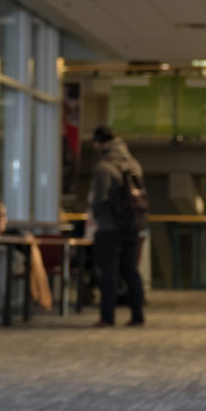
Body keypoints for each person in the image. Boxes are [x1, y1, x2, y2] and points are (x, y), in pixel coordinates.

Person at [87, 126, 146, 328]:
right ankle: (137, 315)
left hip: (109, 227)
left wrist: (94, 215)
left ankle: (107, 316)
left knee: (108, 273)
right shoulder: (133, 164)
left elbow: (100, 199)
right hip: (132, 225)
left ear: (99, 143)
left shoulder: (104, 167)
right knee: (131, 270)